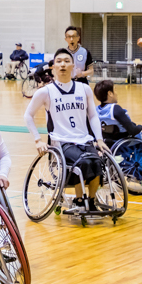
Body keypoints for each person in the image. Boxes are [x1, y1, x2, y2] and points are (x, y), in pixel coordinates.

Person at [24, 48, 107, 213]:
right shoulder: (45, 92)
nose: (63, 64)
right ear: (53, 67)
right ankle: (79, 200)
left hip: (84, 138)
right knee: (82, 161)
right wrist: (37, 140)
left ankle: (90, 201)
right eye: (59, 61)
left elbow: (93, 116)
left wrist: (99, 139)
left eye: (67, 61)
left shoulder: (84, 89)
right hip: (61, 141)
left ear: (74, 67)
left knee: (97, 161)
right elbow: (28, 115)